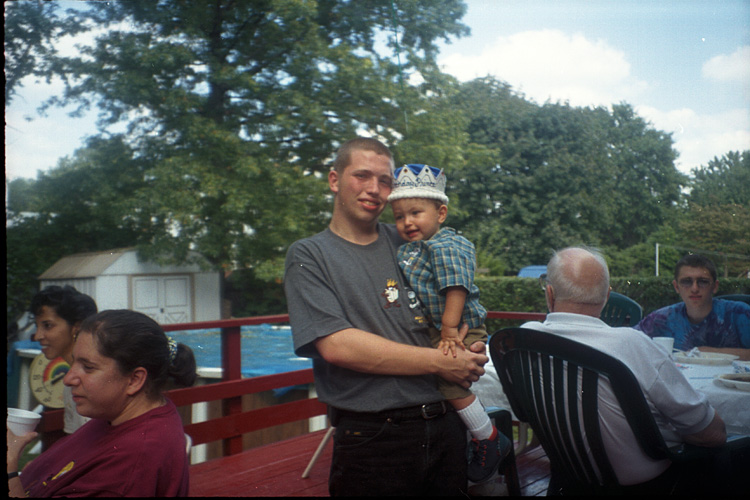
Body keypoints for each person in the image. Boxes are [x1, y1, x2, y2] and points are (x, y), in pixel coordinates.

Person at [284, 137, 489, 496]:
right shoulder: (309, 255)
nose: (374, 190)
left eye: (384, 181)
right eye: (362, 176)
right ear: (334, 180)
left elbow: (458, 287)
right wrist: (443, 362)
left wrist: (471, 343)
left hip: (446, 422)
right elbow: (337, 346)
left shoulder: (412, 238)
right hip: (375, 436)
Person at [522, 247, 728, 492]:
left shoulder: (523, 338)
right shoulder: (632, 344)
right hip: (645, 486)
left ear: (549, 294)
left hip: (567, 479)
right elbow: (712, 434)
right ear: (607, 296)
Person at [387, 163, 510, 483]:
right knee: (442, 382)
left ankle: (489, 438)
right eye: (399, 216)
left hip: (458, 325)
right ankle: (474, 437)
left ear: (441, 213)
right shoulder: (414, 250)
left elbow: (455, 289)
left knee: (449, 383)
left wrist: (448, 330)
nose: (407, 222)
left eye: (416, 212)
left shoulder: (446, 245)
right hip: (442, 327)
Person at [8, 309, 197, 497]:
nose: (68, 379)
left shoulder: (130, 464)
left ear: (134, 380)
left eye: (88, 367)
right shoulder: (119, 416)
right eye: (74, 362)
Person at [635, 254, 750, 360]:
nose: (694, 288)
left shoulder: (739, 314)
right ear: (676, 287)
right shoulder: (661, 319)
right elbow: (628, 342)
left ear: (715, 286)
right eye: (686, 282)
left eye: (703, 281)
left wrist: (709, 352)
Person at [30, 285, 98, 434]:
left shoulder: (96, 381)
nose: (37, 336)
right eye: (37, 326)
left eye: (47, 325)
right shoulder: (70, 384)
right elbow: (74, 443)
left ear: (77, 326)